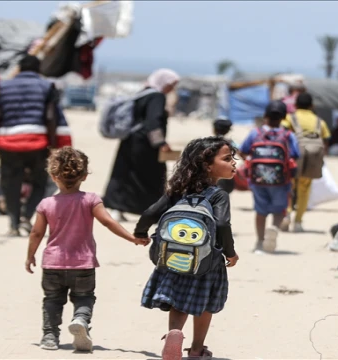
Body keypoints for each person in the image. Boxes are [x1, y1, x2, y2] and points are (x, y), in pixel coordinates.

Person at [25, 147, 150, 351]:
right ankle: (81, 320)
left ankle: (49, 336)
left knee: (52, 300)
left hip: (52, 263)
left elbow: (36, 234)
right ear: (83, 176)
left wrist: (30, 256)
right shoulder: (90, 200)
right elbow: (108, 222)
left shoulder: (46, 204)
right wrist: (132, 238)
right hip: (83, 263)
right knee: (84, 297)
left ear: (53, 175)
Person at [134, 136, 239, 360]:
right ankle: (196, 349)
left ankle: (175, 333)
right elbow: (221, 224)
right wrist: (230, 252)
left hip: (173, 259)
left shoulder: (178, 191)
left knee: (177, 299)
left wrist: (141, 233)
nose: (234, 163)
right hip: (207, 261)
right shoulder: (219, 195)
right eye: (228, 158)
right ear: (207, 165)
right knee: (206, 303)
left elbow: (151, 212)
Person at [0, 55, 69, 236]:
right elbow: (50, 117)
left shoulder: (3, 86)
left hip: (7, 142)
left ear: (19, 69)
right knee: (39, 182)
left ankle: (13, 223)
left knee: (11, 184)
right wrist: (51, 144)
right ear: (38, 69)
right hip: (37, 143)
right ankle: (27, 217)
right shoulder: (46, 86)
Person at [103, 69, 180, 222]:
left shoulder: (143, 93)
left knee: (125, 174)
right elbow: (153, 121)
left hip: (130, 141)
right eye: (171, 84)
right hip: (145, 146)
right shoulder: (157, 96)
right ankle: (155, 211)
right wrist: (161, 143)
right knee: (154, 176)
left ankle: (116, 208)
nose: (172, 89)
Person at [239, 101, 300, 253]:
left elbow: (243, 150)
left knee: (260, 211)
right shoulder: (287, 135)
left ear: (265, 116)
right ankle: (273, 228)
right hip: (281, 180)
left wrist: (250, 161)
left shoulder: (256, 133)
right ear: (283, 117)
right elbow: (295, 155)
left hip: (257, 179)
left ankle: (259, 241)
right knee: (279, 211)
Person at [281, 92, 331, 233]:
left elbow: (283, 131)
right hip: (312, 155)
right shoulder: (319, 121)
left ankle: (287, 214)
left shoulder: (290, 118)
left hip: (294, 155)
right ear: (312, 106)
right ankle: (298, 222)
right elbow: (326, 137)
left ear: (295, 105)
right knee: (304, 189)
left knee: (289, 187)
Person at [212, 117, 238, 194]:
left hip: (213, 173)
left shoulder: (209, 142)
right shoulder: (231, 142)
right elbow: (239, 151)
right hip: (227, 172)